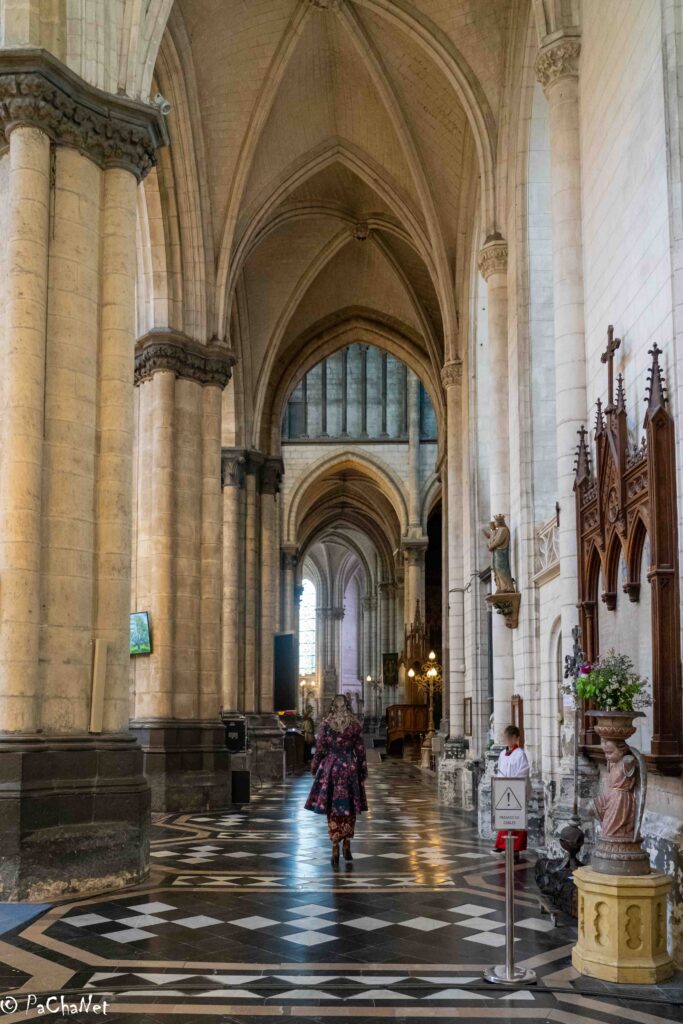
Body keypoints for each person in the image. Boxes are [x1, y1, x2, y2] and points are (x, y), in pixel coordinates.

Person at [305, 693, 368, 865]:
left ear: (332, 707)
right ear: (348, 706)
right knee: (349, 808)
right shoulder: (355, 725)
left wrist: (314, 767)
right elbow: (361, 751)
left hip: (331, 768)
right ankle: (347, 844)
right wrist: (362, 770)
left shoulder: (326, 725)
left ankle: (335, 845)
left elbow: (320, 750)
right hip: (349, 768)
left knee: (332, 809)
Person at [492, 724, 530, 862]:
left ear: (516, 738)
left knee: (516, 821)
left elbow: (524, 771)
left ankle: (516, 849)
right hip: (504, 790)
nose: (507, 740)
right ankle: (501, 844)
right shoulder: (502, 754)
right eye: (505, 737)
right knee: (504, 819)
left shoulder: (520, 754)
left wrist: (513, 782)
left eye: (510, 737)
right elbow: (500, 771)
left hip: (516, 790)